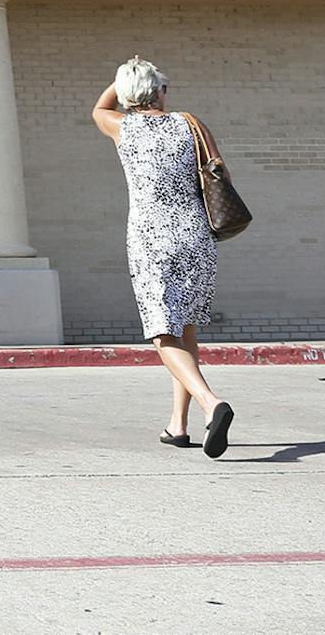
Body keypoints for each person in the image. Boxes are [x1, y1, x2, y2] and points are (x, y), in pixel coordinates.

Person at [93, 56, 234, 457]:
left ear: (127, 94)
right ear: (159, 91)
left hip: (151, 240)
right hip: (196, 236)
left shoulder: (121, 126)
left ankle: (211, 403)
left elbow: (99, 107)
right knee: (184, 328)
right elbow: (222, 177)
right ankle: (178, 425)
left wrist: (123, 75)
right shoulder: (190, 124)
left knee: (162, 333)